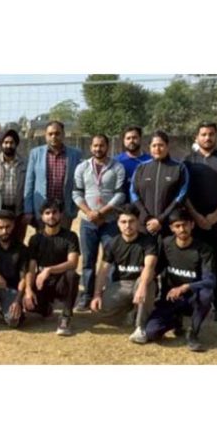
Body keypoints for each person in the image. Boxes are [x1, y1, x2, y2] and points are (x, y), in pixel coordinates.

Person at [183, 122, 217, 321]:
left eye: (211, 134)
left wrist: (215, 216)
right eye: (204, 134)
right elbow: (184, 193)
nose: (207, 138)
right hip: (194, 222)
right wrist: (196, 216)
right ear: (197, 137)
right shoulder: (189, 161)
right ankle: (193, 303)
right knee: (193, 264)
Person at [145, 208, 214, 352]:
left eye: (185, 225)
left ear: (192, 225)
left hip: (192, 298)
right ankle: (176, 320)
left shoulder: (204, 249)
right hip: (170, 298)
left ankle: (193, 333)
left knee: (206, 294)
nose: (182, 229)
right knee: (152, 332)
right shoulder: (165, 244)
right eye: (177, 226)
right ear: (171, 228)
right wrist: (144, 278)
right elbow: (156, 269)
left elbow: (210, 281)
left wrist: (185, 287)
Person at [89, 204, 158, 344]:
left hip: (142, 283)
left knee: (145, 281)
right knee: (99, 311)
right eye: (123, 222)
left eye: (131, 221)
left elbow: (150, 267)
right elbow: (103, 270)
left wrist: (142, 287)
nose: (128, 225)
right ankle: (131, 312)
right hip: (121, 285)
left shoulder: (148, 241)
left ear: (138, 222)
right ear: (118, 224)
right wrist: (96, 295)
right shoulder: (113, 243)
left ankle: (140, 327)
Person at [72, 133, 125, 312]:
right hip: (88, 222)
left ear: (107, 147)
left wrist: (102, 212)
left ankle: (107, 296)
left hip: (110, 221)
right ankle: (86, 296)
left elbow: (120, 194)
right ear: (90, 147)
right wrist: (89, 212)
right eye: (95, 145)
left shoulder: (117, 167)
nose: (98, 149)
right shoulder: (82, 167)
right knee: (88, 261)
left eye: (101, 145)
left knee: (110, 260)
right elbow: (76, 193)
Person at [26, 199, 81, 336]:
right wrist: (28, 290)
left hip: (61, 282)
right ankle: (45, 308)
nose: (51, 216)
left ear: (61, 214)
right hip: (42, 283)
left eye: (55, 212)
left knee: (72, 275)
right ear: (42, 216)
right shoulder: (35, 239)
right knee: (27, 305)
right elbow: (31, 267)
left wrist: (49, 270)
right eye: (47, 213)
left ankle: (66, 316)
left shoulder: (70, 236)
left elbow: (72, 263)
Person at [24, 121, 84, 230]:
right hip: (43, 208)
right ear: (45, 135)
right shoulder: (36, 154)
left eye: (57, 133)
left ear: (63, 134)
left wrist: (75, 208)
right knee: (43, 243)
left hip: (65, 210)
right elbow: (29, 184)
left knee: (63, 242)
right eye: (50, 134)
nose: (54, 137)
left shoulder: (75, 154)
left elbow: (80, 183)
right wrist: (28, 210)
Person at [130, 130, 189, 237]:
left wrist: (160, 219)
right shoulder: (141, 168)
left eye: (161, 145)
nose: (157, 149)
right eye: (154, 145)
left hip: (169, 226)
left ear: (167, 146)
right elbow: (133, 193)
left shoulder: (179, 168)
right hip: (145, 226)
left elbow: (181, 196)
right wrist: (147, 217)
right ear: (149, 148)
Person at [0, 129, 28, 242]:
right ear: (1, 144)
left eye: (11, 143)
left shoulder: (25, 163)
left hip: (18, 211)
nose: (8, 145)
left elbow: (28, 188)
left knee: (17, 241)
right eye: (6, 142)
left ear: (16, 144)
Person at [114, 126, 151, 198]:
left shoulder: (150, 161)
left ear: (140, 139)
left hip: (144, 205)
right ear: (124, 141)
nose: (131, 141)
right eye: (128, 138)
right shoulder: (116, 161)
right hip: (121, 205)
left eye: (134, 138)